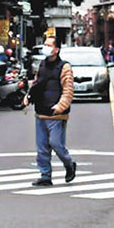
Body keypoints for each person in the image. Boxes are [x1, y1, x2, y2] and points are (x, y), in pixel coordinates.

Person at [27, 36, 76, 186]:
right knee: (42, 147)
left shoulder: (64, 67)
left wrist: (60, 106)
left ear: (56, 49)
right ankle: (45, 175)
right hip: (40, 111)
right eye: (45, 44)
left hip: (56, 114)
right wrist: (28, 97)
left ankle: (69, 164)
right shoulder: (42, 65)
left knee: (56, 144)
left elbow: (68, 90)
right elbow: (37, 84)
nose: (45, 48)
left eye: (49, 45)